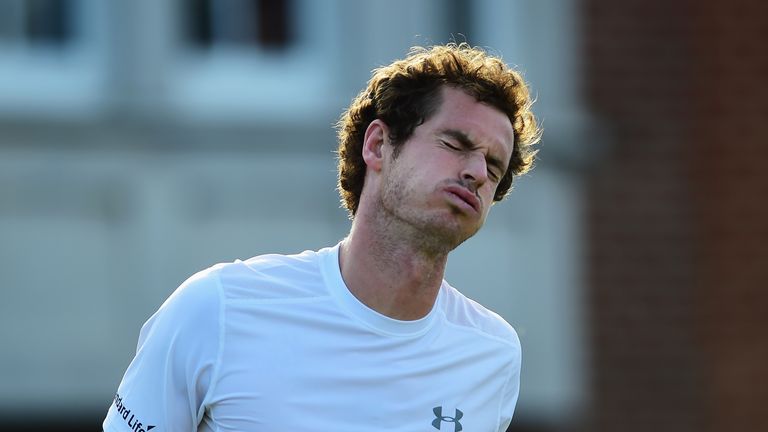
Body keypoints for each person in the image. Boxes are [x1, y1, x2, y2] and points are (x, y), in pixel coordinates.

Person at [103, 43, 540, 432]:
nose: (477, 173)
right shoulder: (216, 309)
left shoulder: (492, 354)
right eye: (455, 143)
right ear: (378, 146)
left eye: (494, 166)